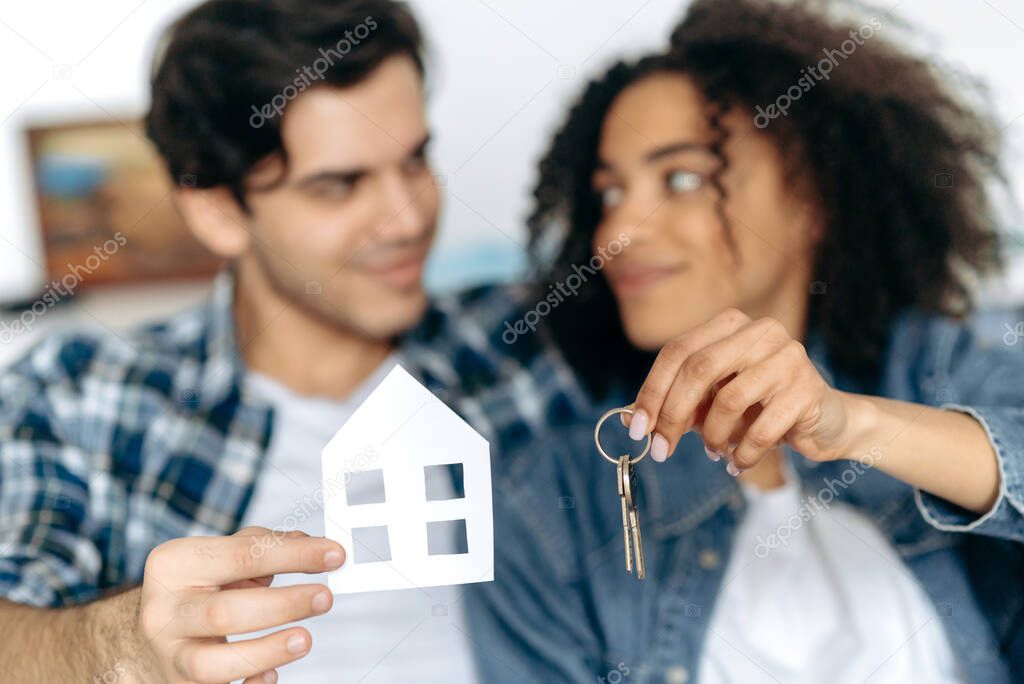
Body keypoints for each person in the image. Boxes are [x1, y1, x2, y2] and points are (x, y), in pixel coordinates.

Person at [0, 1, 590, 681]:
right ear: (218, 212)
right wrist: (122, 650)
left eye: (416, 159)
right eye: (340, 186)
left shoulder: (537, 340)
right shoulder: (80, 394)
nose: (408, 216)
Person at [468, 1, 1024, 682]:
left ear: (813, 198)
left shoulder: (941, 368)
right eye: (610, 195)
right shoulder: (548, 501)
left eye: (681, 179)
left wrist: (857, 423)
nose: (621, 232)